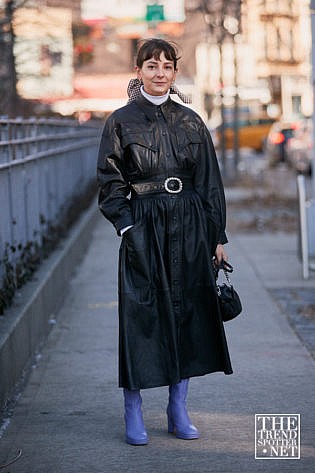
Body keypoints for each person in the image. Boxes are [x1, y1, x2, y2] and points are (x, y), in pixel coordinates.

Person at [97, 38, 233, 446]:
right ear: (138, 71)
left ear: (175, 73)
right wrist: (126, 227)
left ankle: (178, 406)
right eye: (151, 66)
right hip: (144, 226)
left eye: (167, 66)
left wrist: (217, 236)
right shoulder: (120, 121)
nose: (160, 73)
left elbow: (210, 183)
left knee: (188, 313)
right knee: (142, 315)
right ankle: (133, 408)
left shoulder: (192, 122)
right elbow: (109, 182)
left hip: (191, 226)